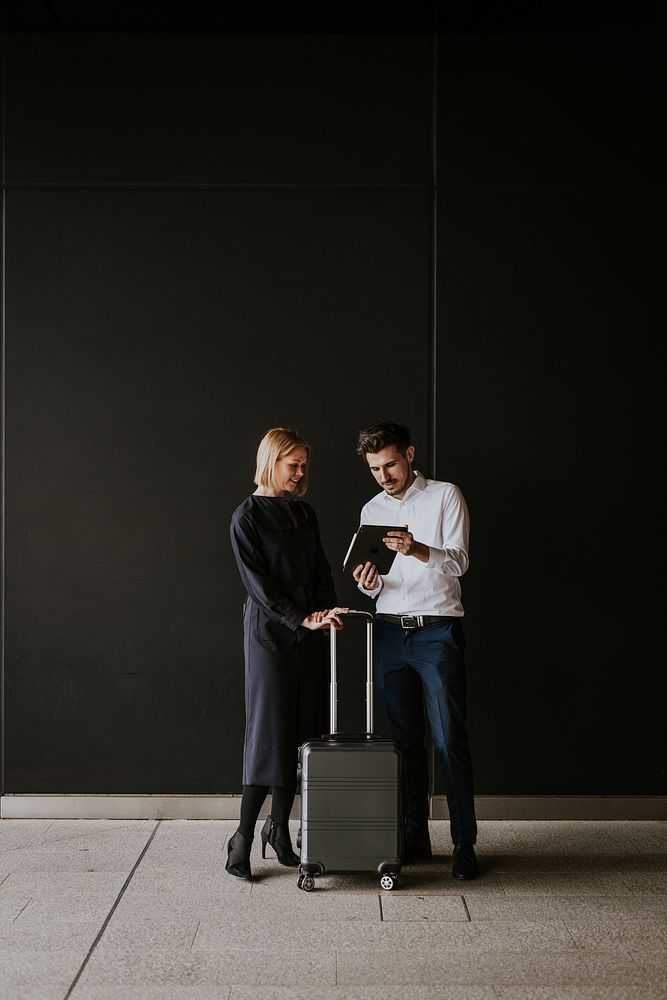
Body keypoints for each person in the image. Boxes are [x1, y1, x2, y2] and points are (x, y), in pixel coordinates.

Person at [353, 421, 479, 880]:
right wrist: (370, 584)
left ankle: (465, 843)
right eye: (374, 468)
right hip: (388, 632)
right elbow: (384, 582)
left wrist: (419, 548)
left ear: (408, 454)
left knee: (449, 739)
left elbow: (459, 562)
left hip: (437, 632)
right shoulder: (371, 507)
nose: (383, 475)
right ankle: (414, 837)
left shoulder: (446, 496)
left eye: (389, 464)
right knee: (403, 743)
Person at [228, 427, 345, 880]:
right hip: (270, 636)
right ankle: (241, 836)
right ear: (270, 462)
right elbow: (259, 586)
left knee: (301, 732)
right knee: (269, 735)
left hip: (309, 631)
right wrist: (300, 617)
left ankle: (278, 830)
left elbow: (319, 568)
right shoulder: (246, 516)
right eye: (292, 465)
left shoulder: (305, 513)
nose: (300, 474)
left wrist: (328, 608)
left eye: (304, 466)